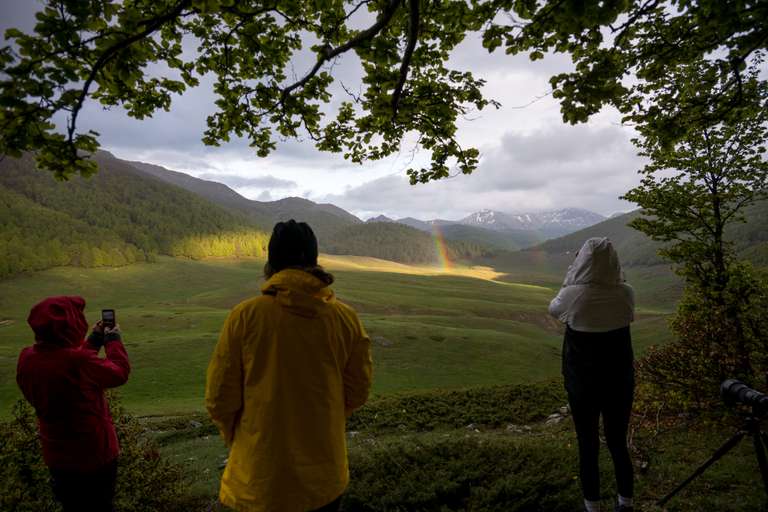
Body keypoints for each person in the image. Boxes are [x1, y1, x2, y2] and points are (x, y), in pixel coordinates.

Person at [206, 219, 373, 512]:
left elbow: (220, 397)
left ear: (271, 262)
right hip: (325, 480)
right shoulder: (345, 318)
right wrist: (322, 419)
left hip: (257, 480)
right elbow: (358, 392)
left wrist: (240, 437)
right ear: (314, 260)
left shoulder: (245, 316)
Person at [16, 295, 131, 512]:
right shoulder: (78, 363)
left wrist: (94, 340)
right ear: (72, 325)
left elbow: (66, 362)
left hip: (56, 454)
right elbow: (119, 373)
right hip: (95, 454)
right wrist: (113, 340)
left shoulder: (27, 358)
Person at [548, 238, 635, 512]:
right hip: (620, 381)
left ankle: (592, 506)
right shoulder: (626, 293)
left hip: (583, 382)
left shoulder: (574, 295)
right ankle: (626, 503)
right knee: (618, 442)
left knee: (588, 444)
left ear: (582, 261)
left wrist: (572, 275)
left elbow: (554, 309)